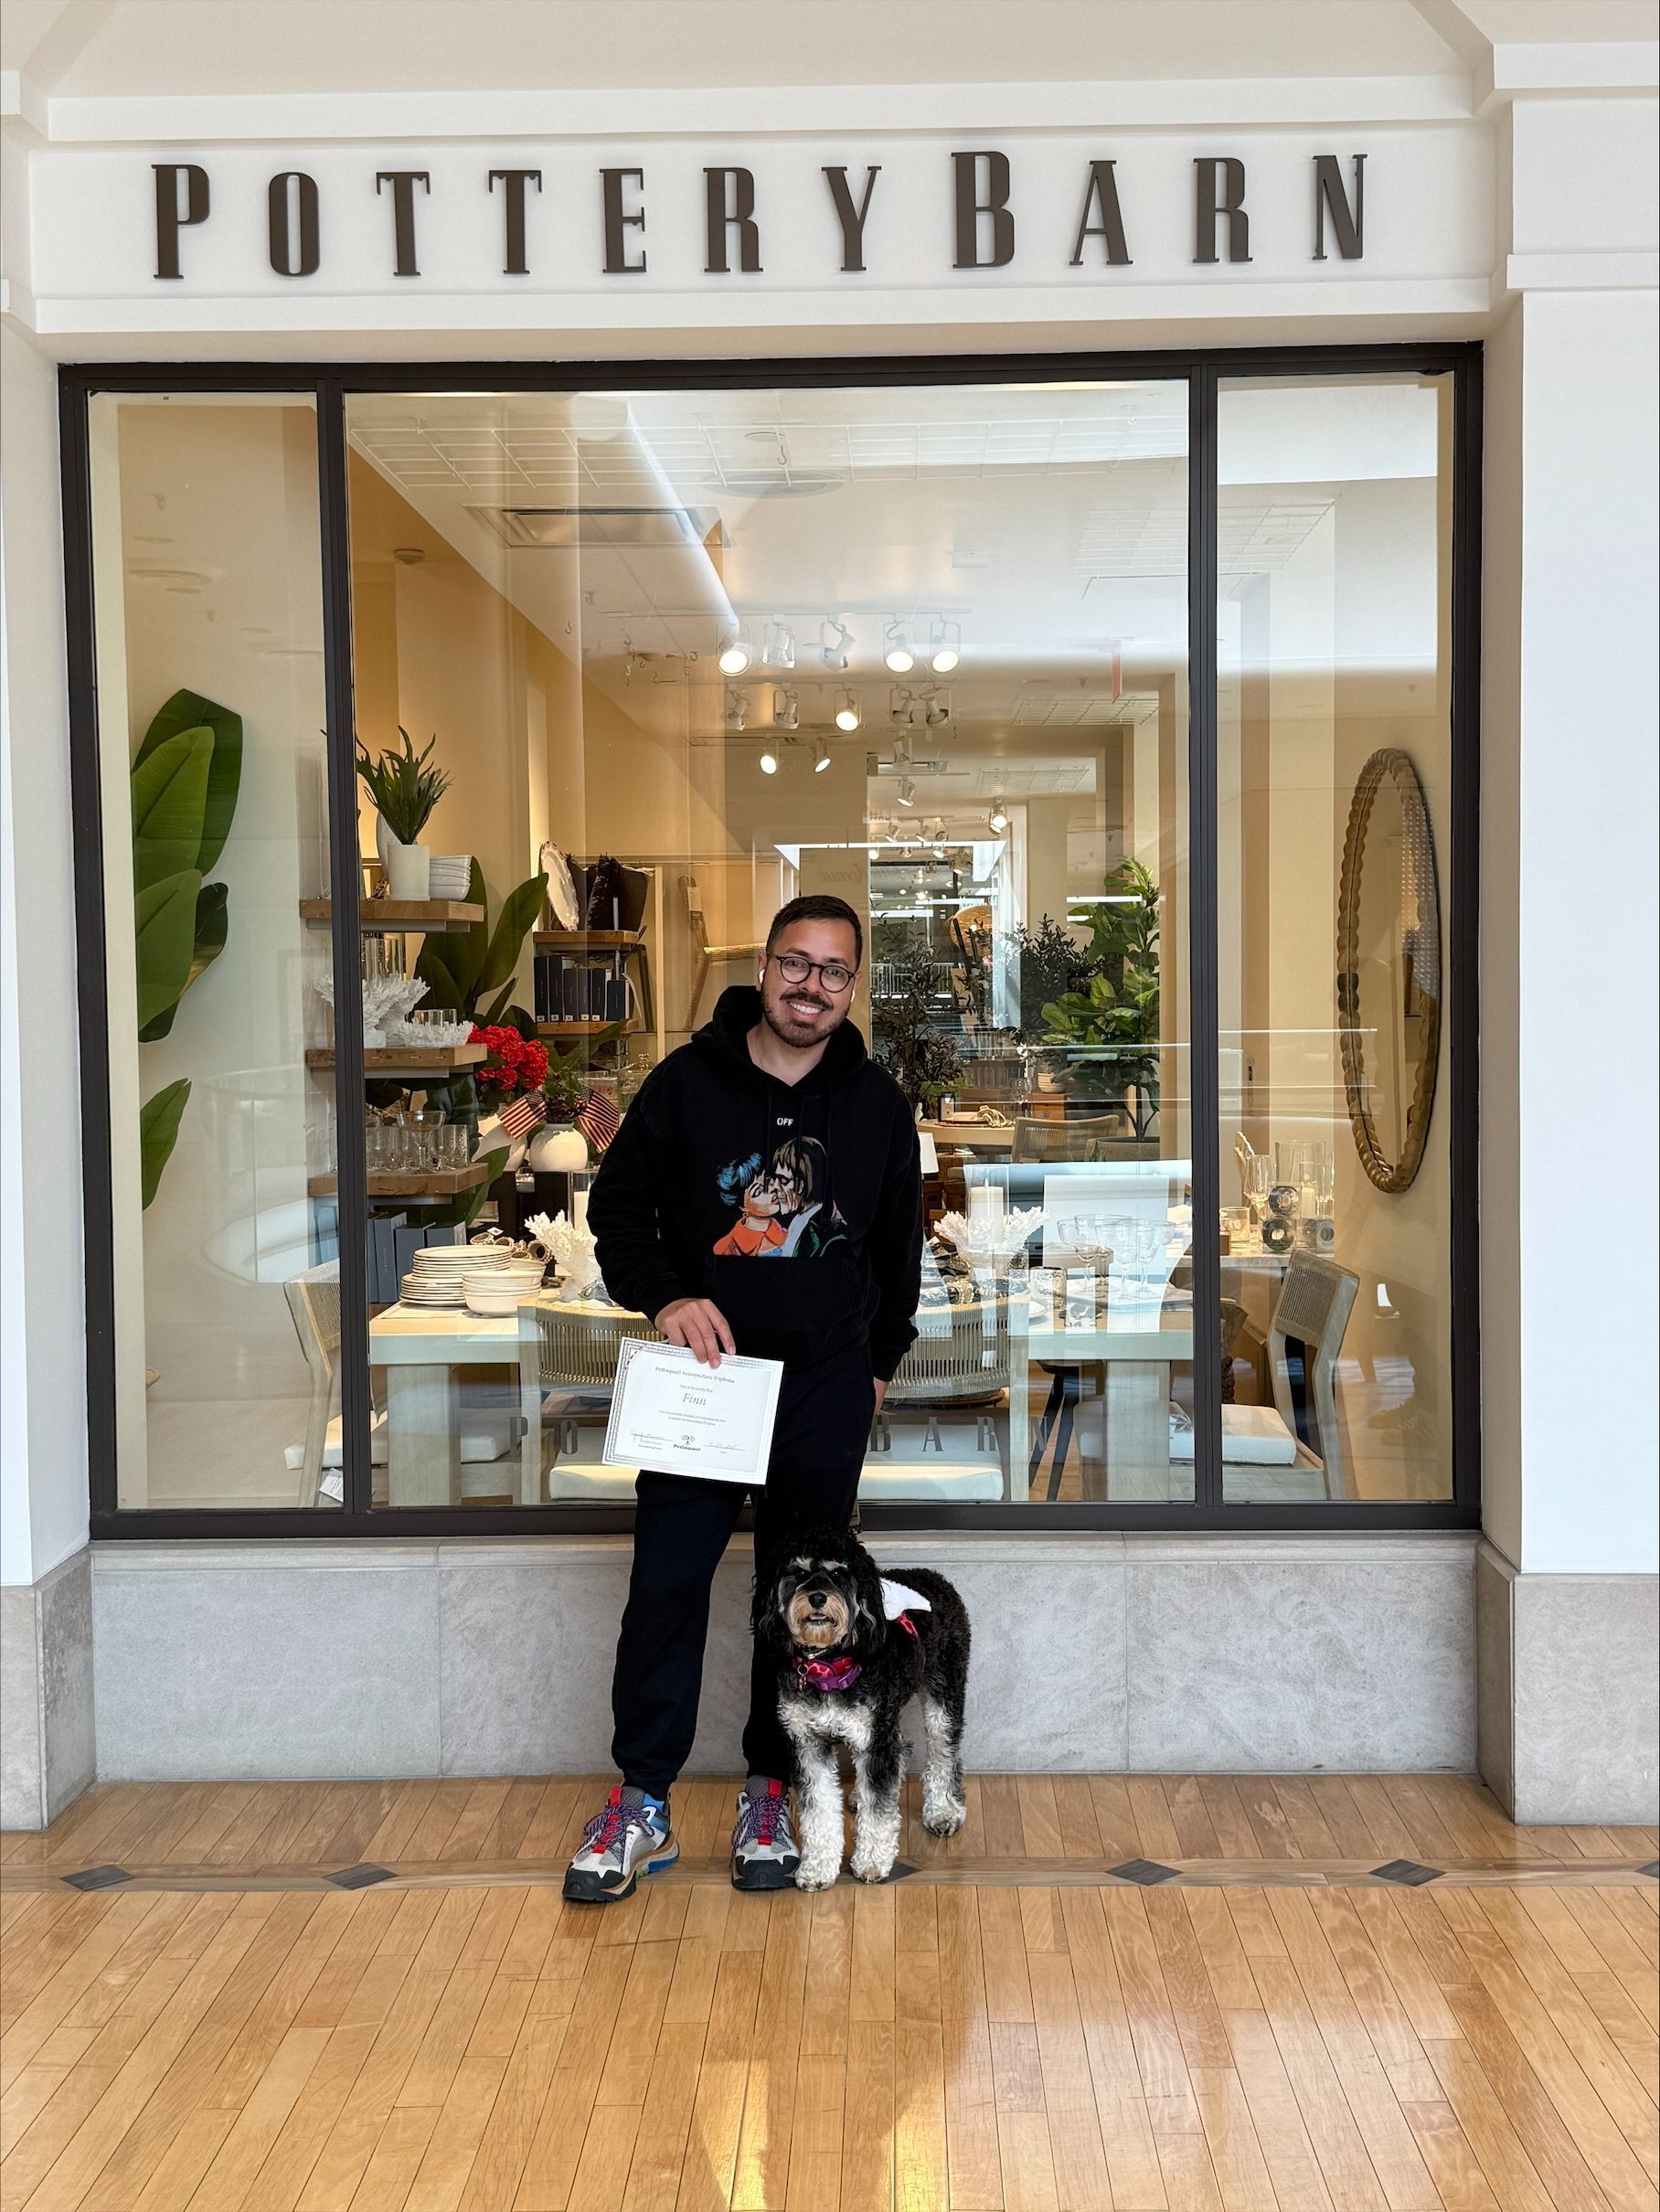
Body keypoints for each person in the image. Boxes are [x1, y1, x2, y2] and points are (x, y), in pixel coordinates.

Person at [562, 894, 921, 1900]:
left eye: (833, 970)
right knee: (668, 1587)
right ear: (764, 968)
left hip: (820, 1387)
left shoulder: (877, 1106)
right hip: (704, 1385)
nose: (812, 985)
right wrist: (670, 1294)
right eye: (794, 963)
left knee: (801, 1605)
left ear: (854, 986)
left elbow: (899, 1253)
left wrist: (875, 1364)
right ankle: (641, 1799)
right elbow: (619, 1210)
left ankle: (771, 1789)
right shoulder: (685, 1084)